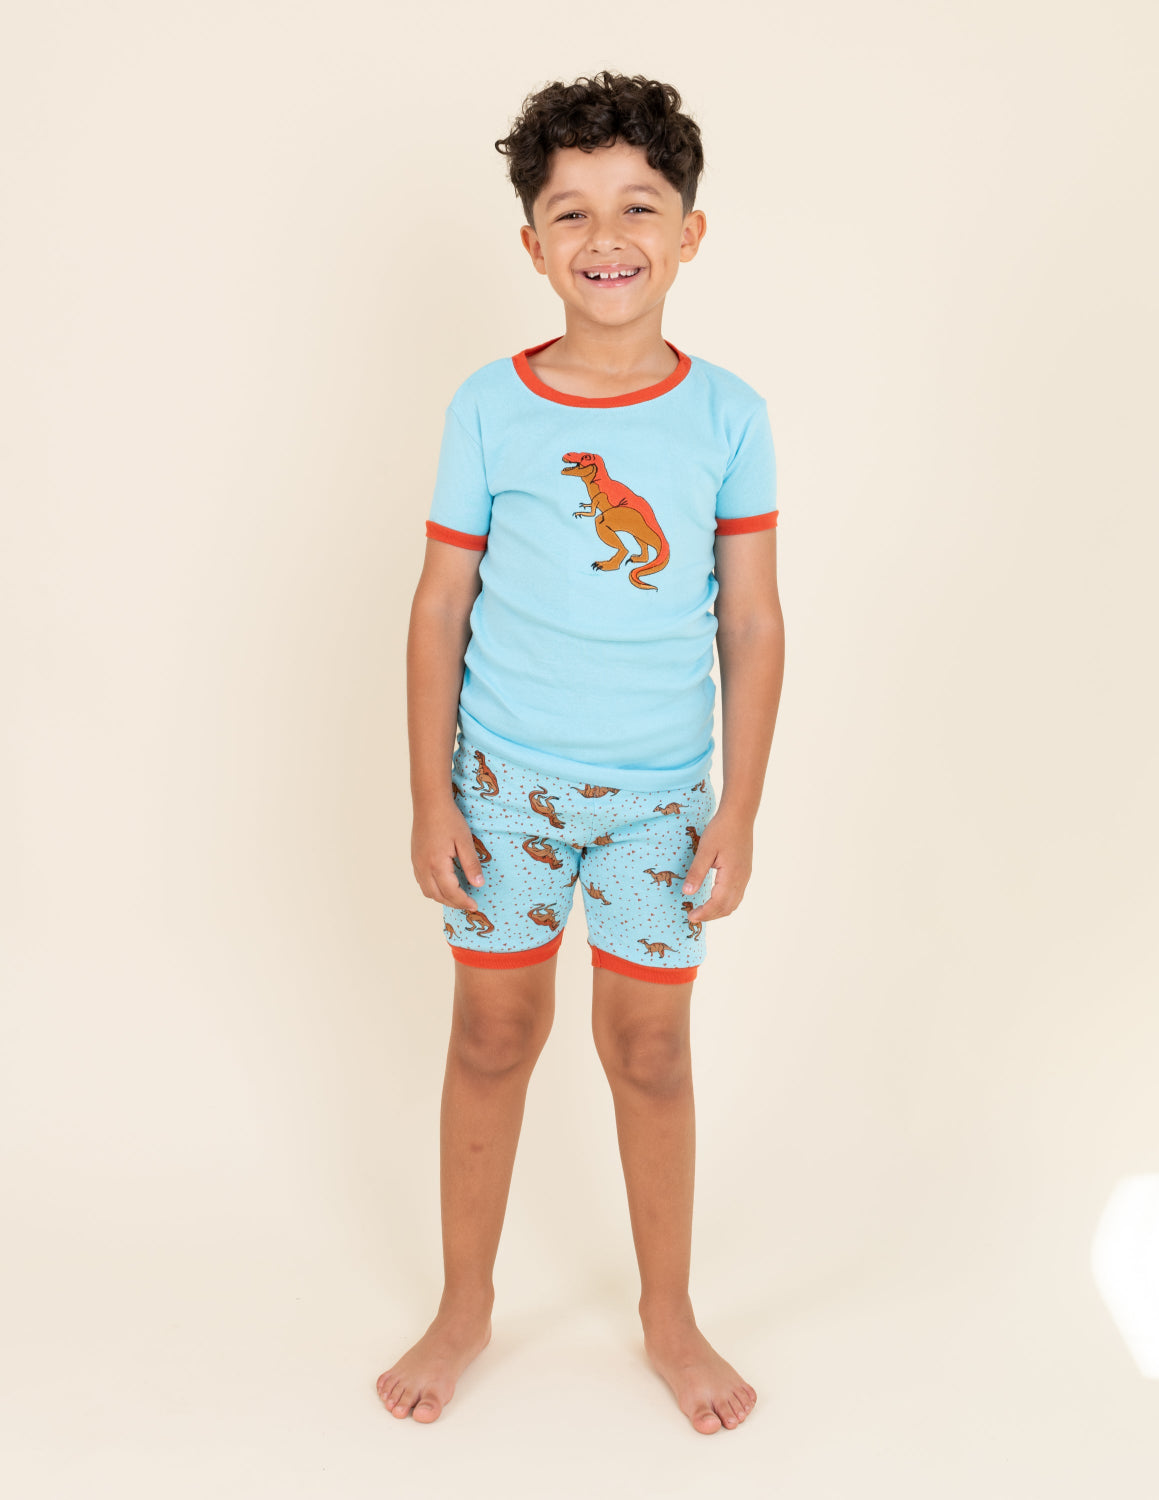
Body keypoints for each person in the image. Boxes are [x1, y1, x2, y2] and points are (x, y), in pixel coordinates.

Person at [376, 70, 785, 1436]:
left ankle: (669, 1314)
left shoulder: (727, 414)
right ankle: (465, 1303)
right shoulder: (490, 408)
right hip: (503, 786)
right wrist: (430, 795)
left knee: (649, 1049)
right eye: (572, 212)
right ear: (534, 243)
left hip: (661, 802)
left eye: (638, 206)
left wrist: (739, 809)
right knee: (493, 1033)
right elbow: (440, 603)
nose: (606, 235)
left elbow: (752, 618)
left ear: (689, 232)